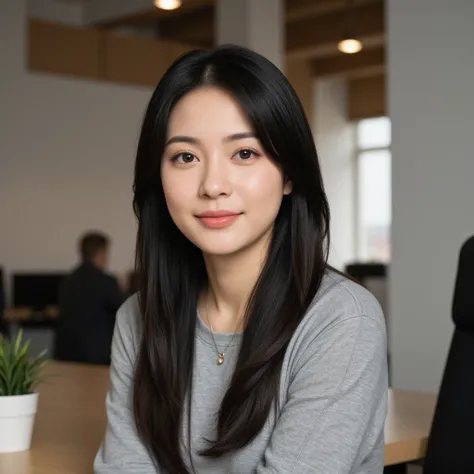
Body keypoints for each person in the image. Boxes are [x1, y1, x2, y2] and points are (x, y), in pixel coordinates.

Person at [94, 45, 388, 473]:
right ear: (158, 177)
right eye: (186, 157)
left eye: (244, 153)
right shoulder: (138, 319)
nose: (213, 185)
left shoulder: (342, 321)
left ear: (289, 173)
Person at [55, 232, 125, 365]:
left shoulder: (66, 281)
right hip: (97, 356)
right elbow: (123, 312)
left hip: (67, 353)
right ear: (101, 253)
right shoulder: (107, 282)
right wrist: (123, 289)